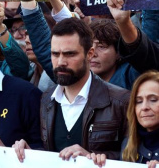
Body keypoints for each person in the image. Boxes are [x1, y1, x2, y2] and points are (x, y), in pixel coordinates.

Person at [13, 18, 130, 162]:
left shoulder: (121, 101)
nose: (61, 62)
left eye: (70, 54)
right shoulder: (46, 100)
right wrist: (28, 152)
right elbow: (50, 155)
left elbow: (134, 159)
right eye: (55, 54)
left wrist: (91, 158)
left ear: (90, 53)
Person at [87, 70, 159, 168]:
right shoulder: (128, 143)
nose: (144, 107)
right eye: (138, 101)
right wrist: (100, 161)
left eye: (153, 100)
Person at [90, 19, 140, 90]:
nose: (93, 54)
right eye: (89, 47)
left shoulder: (130, 75)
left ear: (118, 52)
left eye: (101, 47)